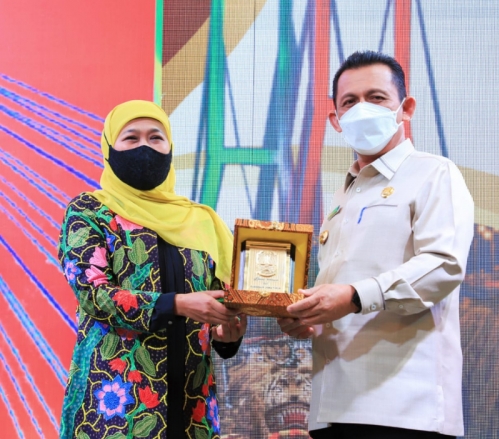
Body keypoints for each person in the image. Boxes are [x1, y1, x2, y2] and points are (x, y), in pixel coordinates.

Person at [278, 51, 474, 438]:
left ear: (406, 108)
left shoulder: (434, 173)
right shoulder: (343, 196)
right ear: (336, 119)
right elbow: (342, 290)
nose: (362, 109)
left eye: (377, 97)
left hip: (403, 407)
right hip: (332, 402)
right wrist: (310, 318)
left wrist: (353, 296)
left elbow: (443, 264)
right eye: (350, 101)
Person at [58, 100, 247, 439]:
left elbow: (220, 305)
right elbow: (94, 294)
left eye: (156, 137)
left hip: (193, 409)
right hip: (115, 410)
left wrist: (227, 337)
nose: (145, 147)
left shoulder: (201, 221)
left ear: (170, 148)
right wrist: (176, 304)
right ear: (109, 149)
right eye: (131, 138)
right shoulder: (90, 211)